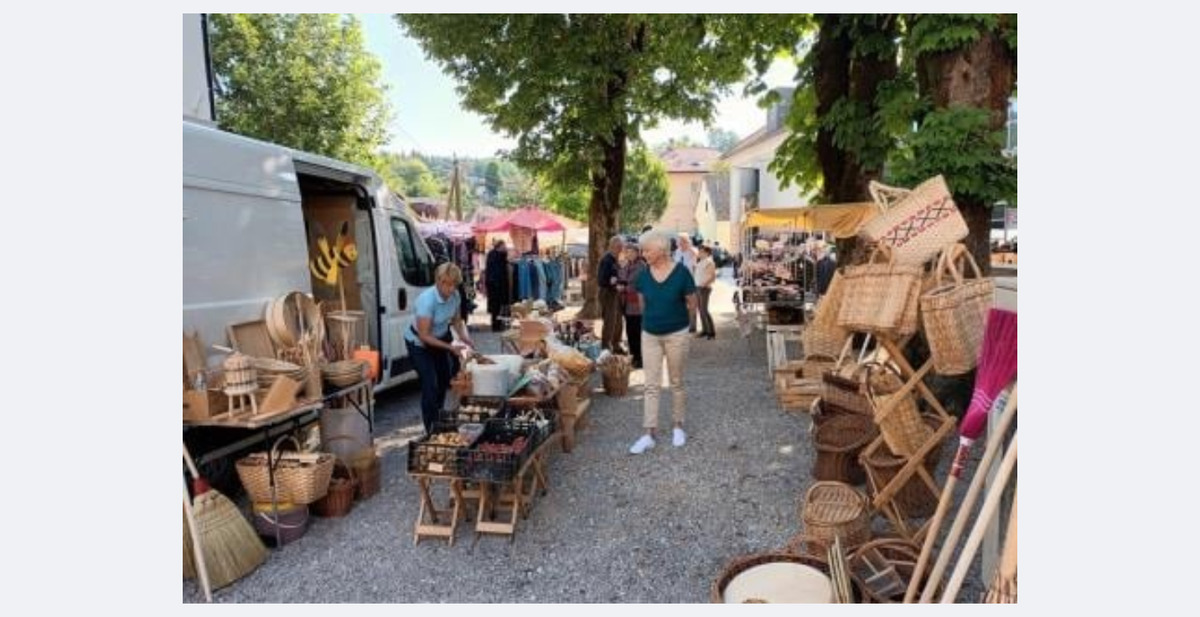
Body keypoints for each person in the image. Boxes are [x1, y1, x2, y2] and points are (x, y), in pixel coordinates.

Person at [629, 230, 697, 455]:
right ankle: (648, 433)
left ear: (660, 250)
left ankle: (678, 426)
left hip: (677, 333)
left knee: (676, 381)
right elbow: (643, 306)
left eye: (647, 250)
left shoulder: (682, 273)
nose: (643, 254)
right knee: (650, 384)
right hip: (650, 334)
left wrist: (686, 328)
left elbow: (692, 303)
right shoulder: (642, 275)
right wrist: (652, 323)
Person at [405, 263, 475, 435]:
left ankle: (439, 418)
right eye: (446, 283)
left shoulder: (455, 296)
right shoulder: (427, 300)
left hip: (441, 337)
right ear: (437, 281)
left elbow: (456, 320)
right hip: (420, 343)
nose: (450, 289)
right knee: (431, 384)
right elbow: (424, 335)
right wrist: (451, 347)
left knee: (444, 380)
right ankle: (431, 429)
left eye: (453, 284)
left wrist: (464, 337)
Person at [618, 244, 647, 369]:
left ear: (637, 253)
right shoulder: (627, 265)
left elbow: (641, 284)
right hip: (627, 303)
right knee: (630, 332)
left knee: (637, 332)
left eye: (631, 252)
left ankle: (640, 359)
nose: (629, 254)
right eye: (627, 252)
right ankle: (633, 357)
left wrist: (625, 287)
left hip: (638, 303)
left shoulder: (642, 266)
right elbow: (621, 276)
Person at [597, 235, 626, 353]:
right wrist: (613, 284)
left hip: (615, 293)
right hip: (607, 293)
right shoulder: (607, 260)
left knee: (618, 320)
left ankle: (616, 344)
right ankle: (606, 346)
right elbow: (602, 280)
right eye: (619, 246)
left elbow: (616, 276)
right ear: (612, 246)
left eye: (621, 246)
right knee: (610, 320)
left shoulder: (615, 259)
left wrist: (619, 282)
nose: (621, 249)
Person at [673, 232, 698, 333]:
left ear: (687, 242)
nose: (680, 243)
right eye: (679, 241)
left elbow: (695, 265)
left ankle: (692, 326)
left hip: (690, 280)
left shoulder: (692, 251)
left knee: (692, 304)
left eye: (682, 241)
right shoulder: (677, 252)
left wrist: (689, 247)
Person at [483, 239, 510, 332]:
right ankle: (496, 325)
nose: (505, 247)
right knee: (496, 306)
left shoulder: (493, 255)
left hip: (494, 285)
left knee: (497, 306)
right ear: (500, 246)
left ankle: (497, 324)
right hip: (496, 285)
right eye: (504, 246)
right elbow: (498, 271)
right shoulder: (497, 256)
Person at [694, 245, 717, 340]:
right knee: (700, 310)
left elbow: (713, 277)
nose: (699, 253)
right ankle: (705, 330)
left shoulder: (709, 262)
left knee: (704, 310)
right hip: (698, 287)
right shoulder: (700, 262)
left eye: (701, 251)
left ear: (707, 253)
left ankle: (711, 332)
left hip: (704, 288)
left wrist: (704, 284)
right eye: (699, 251)